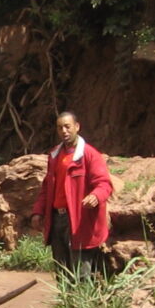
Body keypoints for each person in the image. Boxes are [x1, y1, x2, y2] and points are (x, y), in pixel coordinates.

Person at [31, 111, 113, 277]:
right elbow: (47, 188)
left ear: (77, 127)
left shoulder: (90, 155)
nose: (64, 131)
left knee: (81, 273)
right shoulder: (54, 155)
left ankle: (84, 295)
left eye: (67, 127)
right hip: (57, 219)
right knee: (62, 272)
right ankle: (66, 295)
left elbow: (104, 183)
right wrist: (38, 212)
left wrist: (96, 196)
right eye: (60, 127)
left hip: (80, 220)